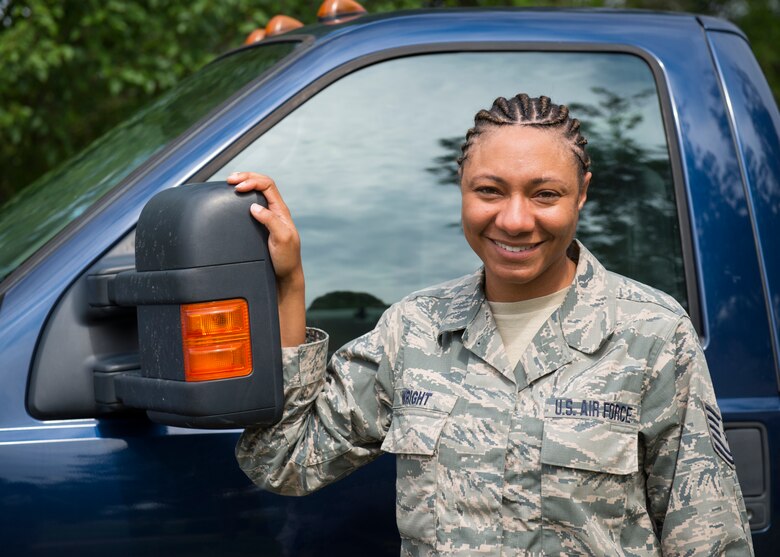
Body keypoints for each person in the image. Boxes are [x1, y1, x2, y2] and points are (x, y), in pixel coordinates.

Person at [231, 94, 754, 556]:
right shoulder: (414, 329)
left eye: (545, 194)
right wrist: (288, 284)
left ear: (582, 194)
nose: (515, 219)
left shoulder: (652, 334)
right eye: (489, 191)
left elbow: (708, 539)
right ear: (462, 187)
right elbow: (284, 460)